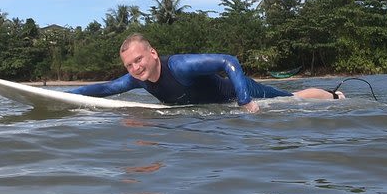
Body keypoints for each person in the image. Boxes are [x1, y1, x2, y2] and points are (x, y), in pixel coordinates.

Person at [69, 33, 344, 113]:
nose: (135, 68)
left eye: (138, 60)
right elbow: (104, 89)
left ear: (152, 54)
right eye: (129, 65)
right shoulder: (136, 80)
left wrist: (245, 99)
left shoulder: (179, 66)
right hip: (218, 105)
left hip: (238, 90)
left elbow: (229, 61)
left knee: (291, 97)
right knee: (291, 97)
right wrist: (60, 95)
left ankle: (334, 97)